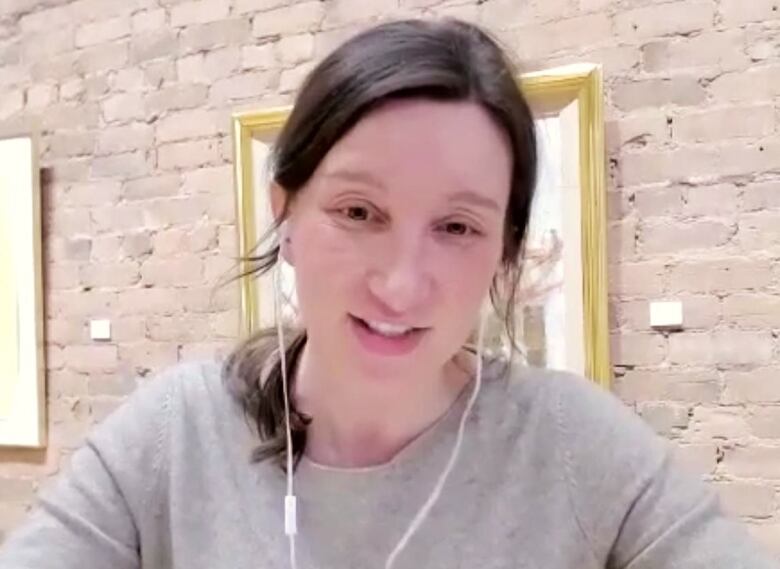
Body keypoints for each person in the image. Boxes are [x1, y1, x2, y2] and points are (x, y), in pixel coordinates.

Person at [0, 17, 776, 569]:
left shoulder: (577, 446)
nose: (401, 283)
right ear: (286, 213)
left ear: (504, 254)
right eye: (359, 212)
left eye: (458, 228)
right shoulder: (174, 436)